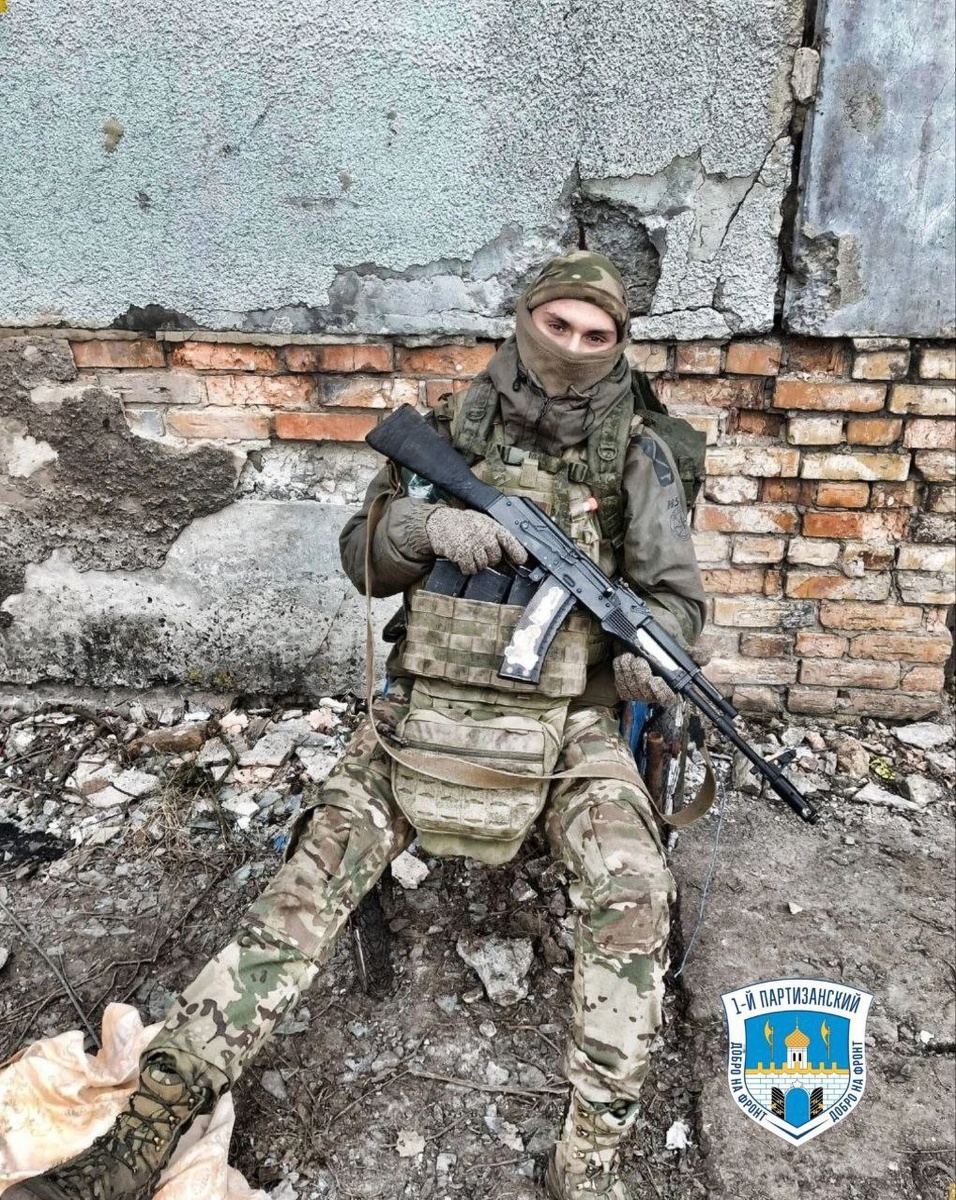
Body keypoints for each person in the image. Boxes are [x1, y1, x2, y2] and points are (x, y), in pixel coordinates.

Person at [22, 251, 706, 1200]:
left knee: (635, 888)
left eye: (597, 336)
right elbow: (362, 557)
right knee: (303, 886)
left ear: (620, 344)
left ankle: (589, 1160)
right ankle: (148, 1123)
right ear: (524, 320)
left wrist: (653, 653)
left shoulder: (639, 453)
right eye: (558, 325)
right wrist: (419, 532)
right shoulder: (450, 427)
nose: (573, 348)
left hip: (570, 723)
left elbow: (676, 602)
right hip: (422, 709)